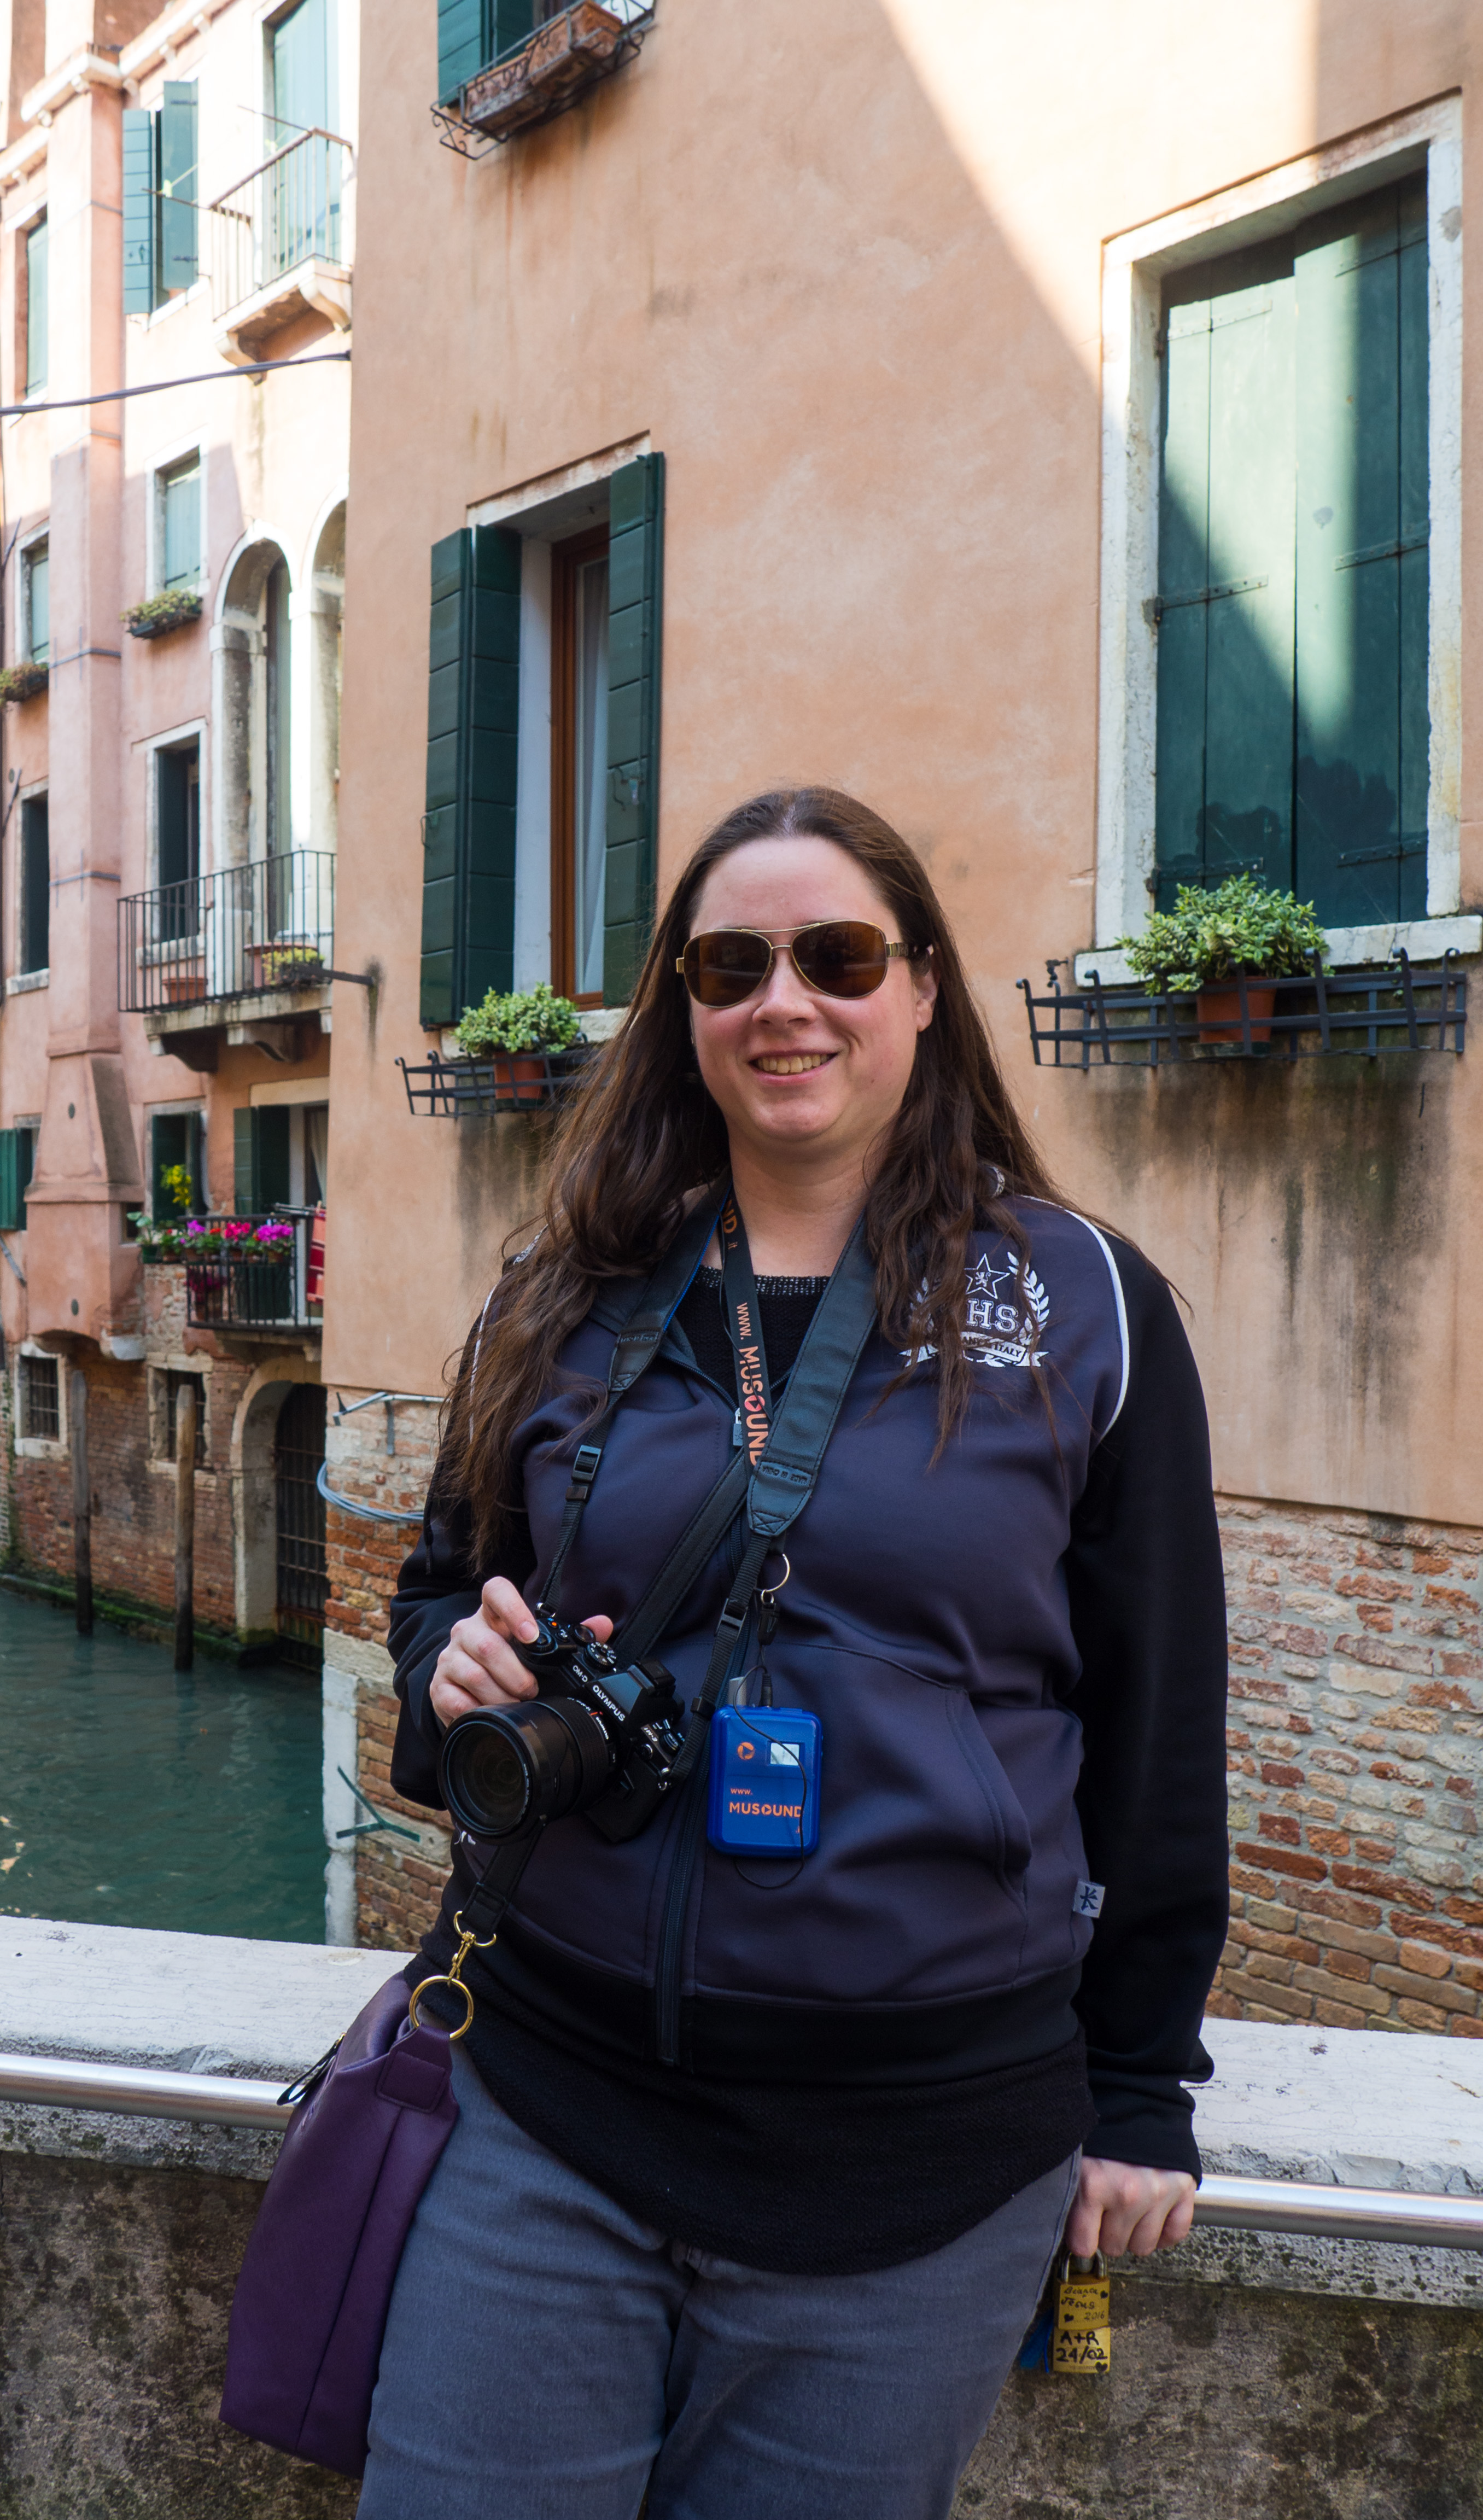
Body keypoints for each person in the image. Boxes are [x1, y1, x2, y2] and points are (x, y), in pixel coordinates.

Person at [363, 788, 1229, 2520]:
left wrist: (1141, 2087)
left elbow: (1159, 1726)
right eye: (731, 965)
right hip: (556, 2105)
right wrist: (451, 1672)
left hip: (923, 2166)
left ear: (922, 988)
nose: (787, 1003)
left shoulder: (1082, 1305)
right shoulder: (563, 1290)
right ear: (682, 1008)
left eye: (838, 957)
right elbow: (443, 1593)